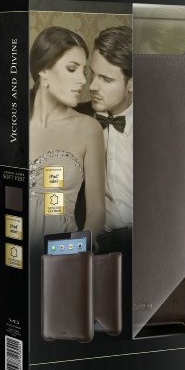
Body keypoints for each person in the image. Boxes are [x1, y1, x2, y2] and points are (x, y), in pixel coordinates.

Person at [29, 27, 106, 256]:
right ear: (43, 70)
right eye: (72, 69)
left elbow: (97, 209)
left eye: (84, 71)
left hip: (62, 254)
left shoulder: (89, 129)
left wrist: (84, 241)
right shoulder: (8, 124)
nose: (83, 80)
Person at [76, 26, 133, 256]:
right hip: (100, 245)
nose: (92, 86)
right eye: (93, 74)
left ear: (132, 84)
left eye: (106, 79)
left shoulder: (158, 124)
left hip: (150, 243)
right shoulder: (76, 121)